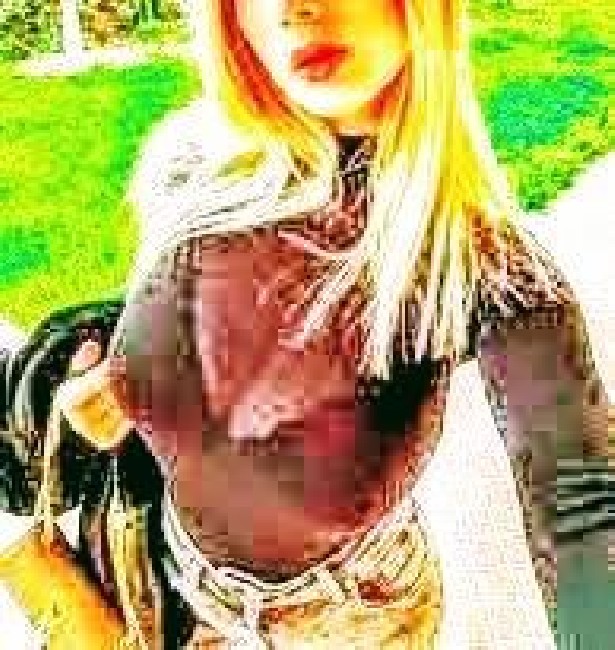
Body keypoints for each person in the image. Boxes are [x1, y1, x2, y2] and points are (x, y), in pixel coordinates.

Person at [0, 1, 611, 648]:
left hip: (343, 621)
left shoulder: (485, 267)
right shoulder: (194, 169)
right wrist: (120, 377)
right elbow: (206, 330)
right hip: (158, 580)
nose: (293, 10)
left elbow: (581, 514)